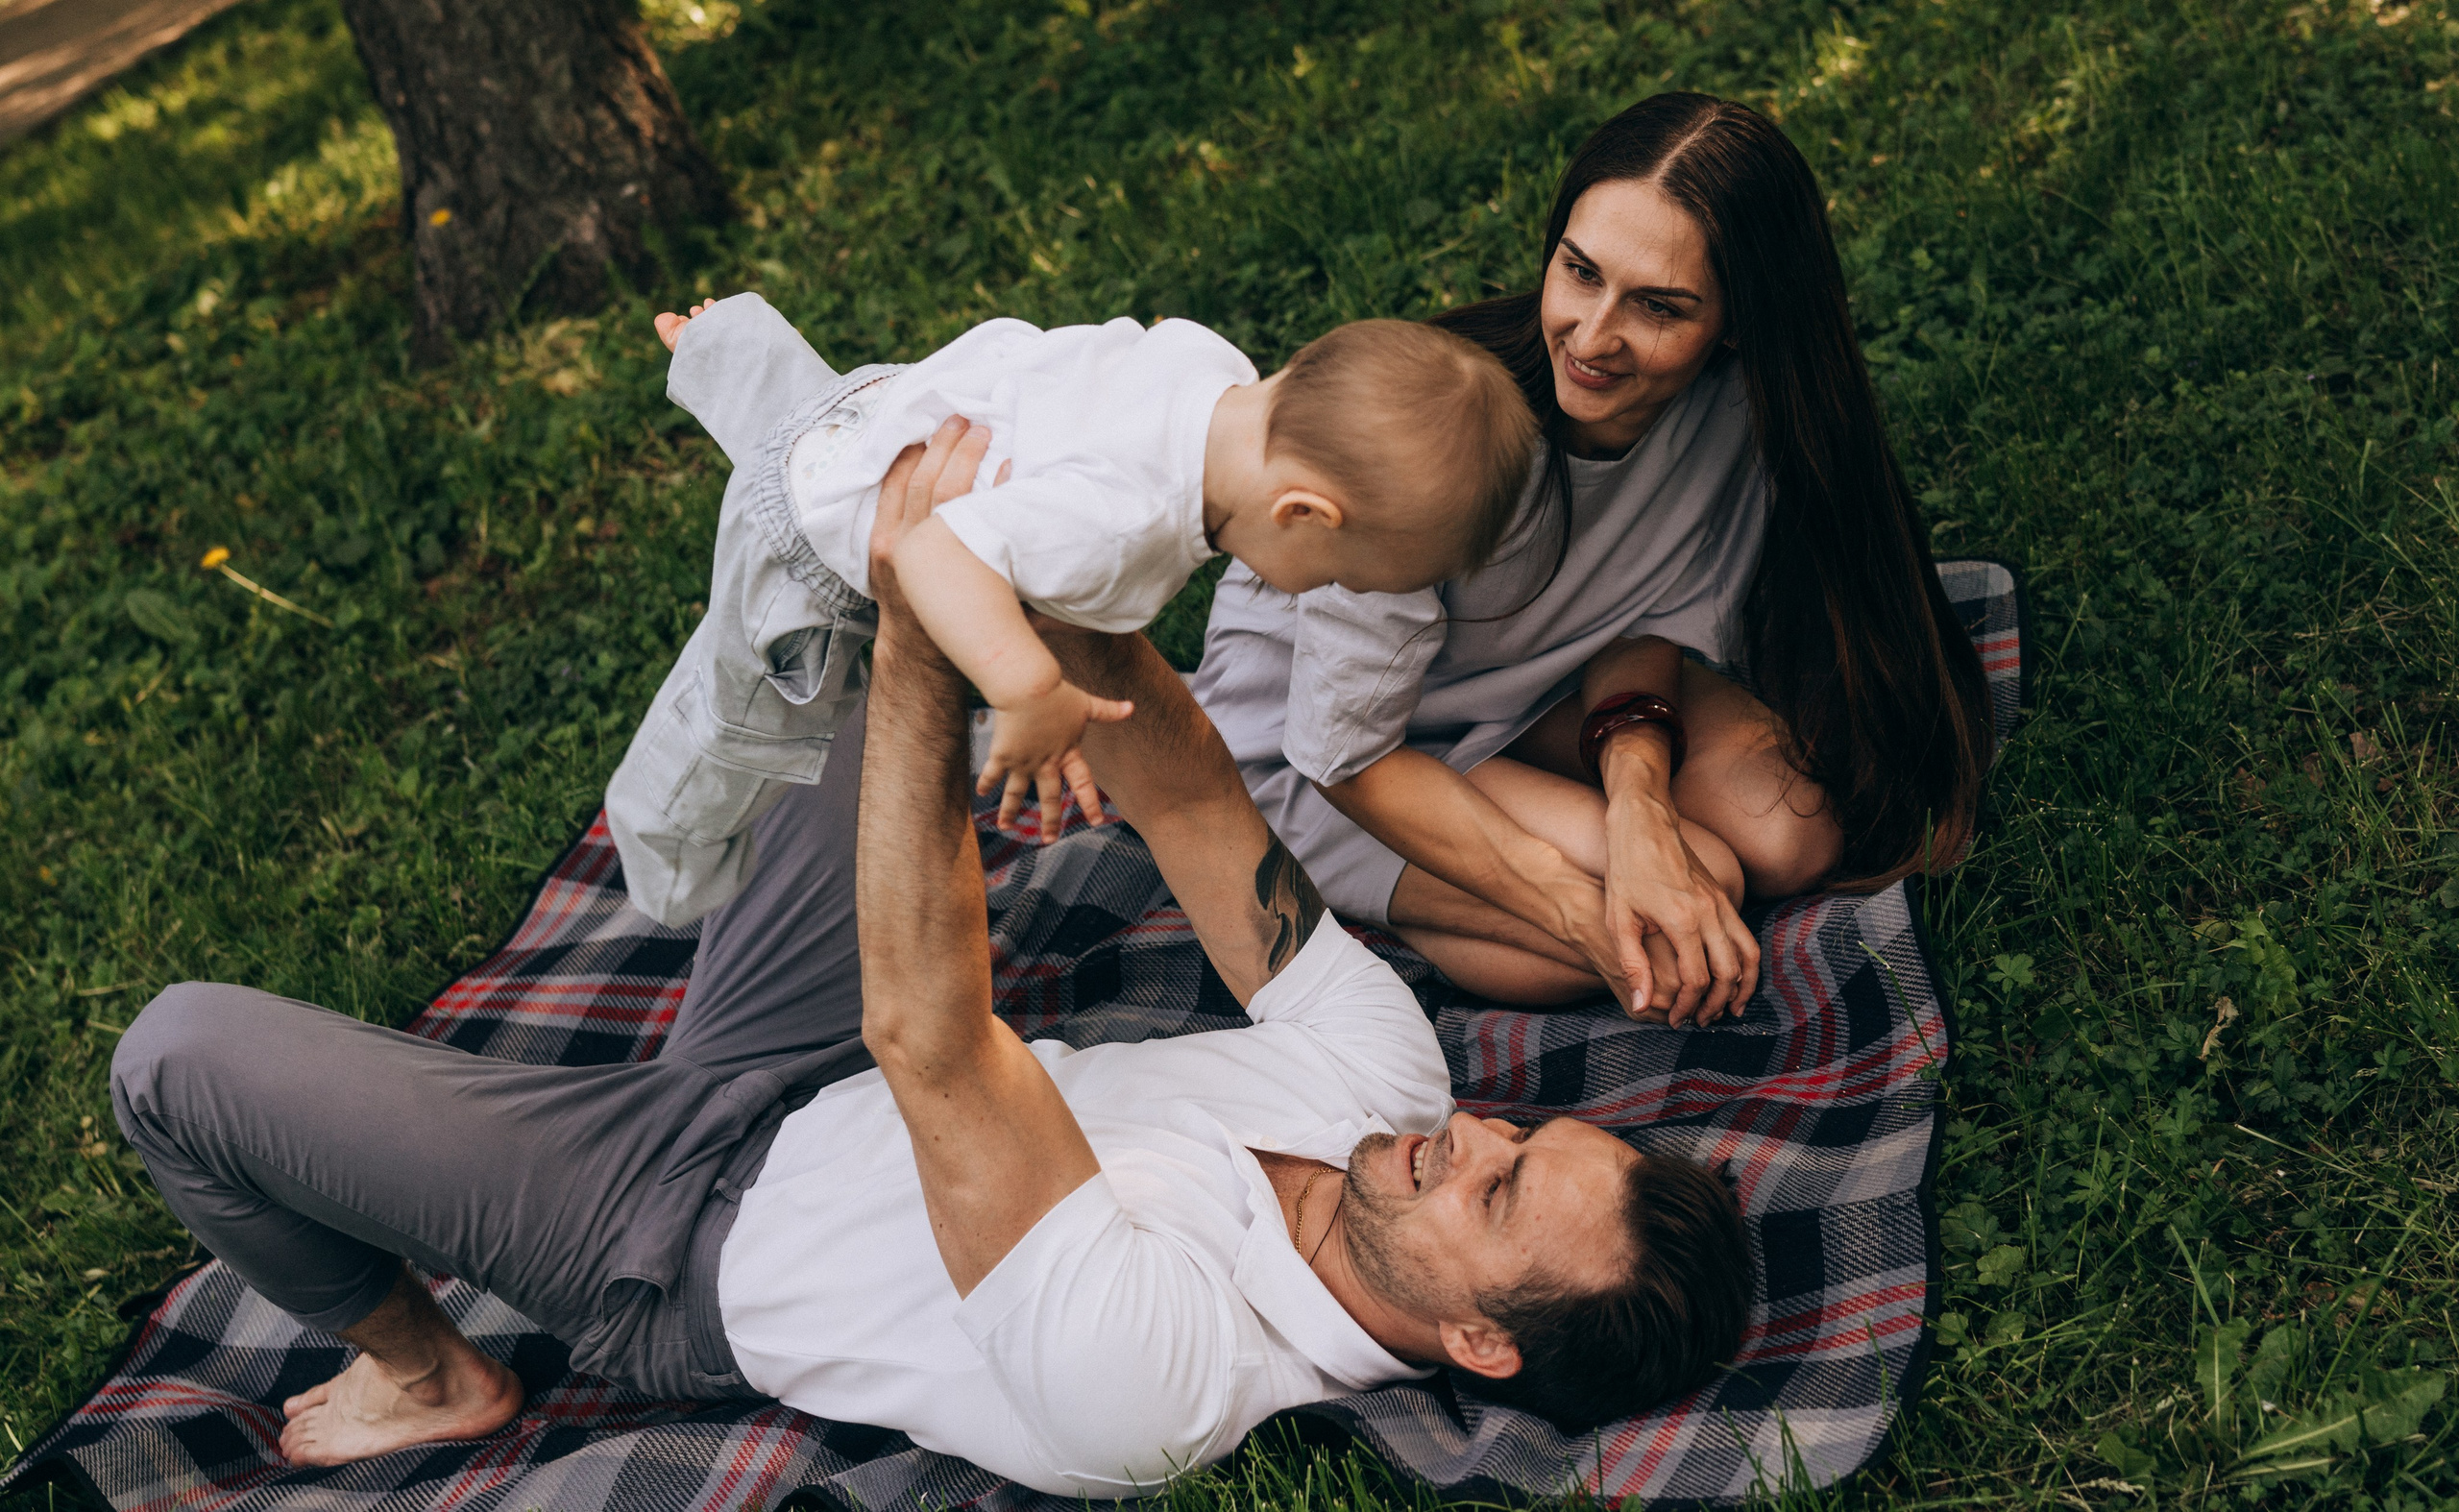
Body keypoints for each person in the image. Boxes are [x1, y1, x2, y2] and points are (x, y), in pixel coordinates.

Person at [109, 421, 1750, 1495]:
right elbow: (1186, 789)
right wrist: (1085, 554)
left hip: (673, 1236)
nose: (1471, 1131)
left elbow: (939, 1038)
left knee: (178, 1058)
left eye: (1491, 1190)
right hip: (811, 1068)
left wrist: (925, 635)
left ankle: (427, 1362)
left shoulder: (1162, 1375)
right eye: (1523, 1133)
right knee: (861, 623)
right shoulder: (1392, 1083)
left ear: (1480, 1339)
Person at [1190, 92, 1994, 1027]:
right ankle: (1390, 892)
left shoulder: (1736, 414)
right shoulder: (1446, 437)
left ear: (1736, 322)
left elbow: (1639, 617)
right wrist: (1567, 895)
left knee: (1793, 833)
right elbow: (1346, 751)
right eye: (1580, 272)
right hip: (1324, 750)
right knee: (1673, 916)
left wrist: (1637, 803)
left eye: (1658, 305)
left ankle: (1546, 841)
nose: (1591, 335)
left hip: (1519, 695)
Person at [608, 298, 1534, 927]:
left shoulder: (1212, 368)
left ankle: (732, 347)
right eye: (1352, 579)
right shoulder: (1121, 521)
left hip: (891, 406)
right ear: (1301, 515)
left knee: (825, 436)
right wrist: (1027, 688)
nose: (1342, 599)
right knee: (732, 735)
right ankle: (663, 856)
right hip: (811, 551)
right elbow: (934, 551)